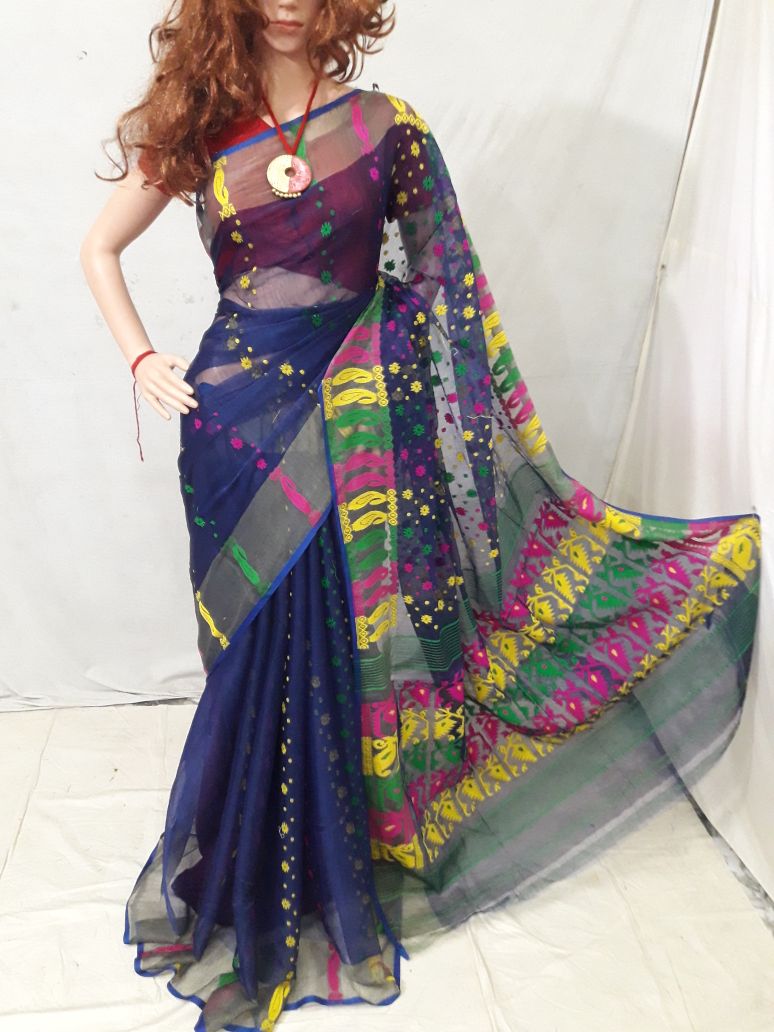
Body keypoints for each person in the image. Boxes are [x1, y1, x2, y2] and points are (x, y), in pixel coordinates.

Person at [79, 2, 762, 1030]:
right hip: (232, 426)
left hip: (349, 431)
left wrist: (383, 362)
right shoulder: (200, 125)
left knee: (334, 641)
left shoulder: (387, 128)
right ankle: (252, 857)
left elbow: (443, 291)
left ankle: (325, 856)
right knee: (254, 650)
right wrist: (140, 356)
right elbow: (99, 247)